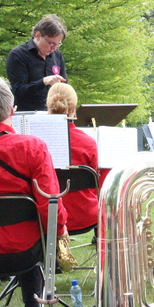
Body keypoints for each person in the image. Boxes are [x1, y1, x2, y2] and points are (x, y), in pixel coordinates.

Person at [0, 75, 67, 307]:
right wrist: (60, 231)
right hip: (24, 254)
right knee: (33, 239)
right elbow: (49, 206)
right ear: (13, 110)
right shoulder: (33, 147)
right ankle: (33, 306)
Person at [47, 83, 98, 232]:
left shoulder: (35, 142)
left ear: (48, 107)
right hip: (85, 215)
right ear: (74, 108)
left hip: (49, 216)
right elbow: (95, 182)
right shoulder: (88, 142)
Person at [6, 14, 68, 111]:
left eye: (58, 44)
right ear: (38, 35)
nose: (54, 48)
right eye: (51, 43)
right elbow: (18, 91)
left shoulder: (57, 55)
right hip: (27, 114)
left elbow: (65, 85)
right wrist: (43, 82)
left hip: (54, 114)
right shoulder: (18, 55)